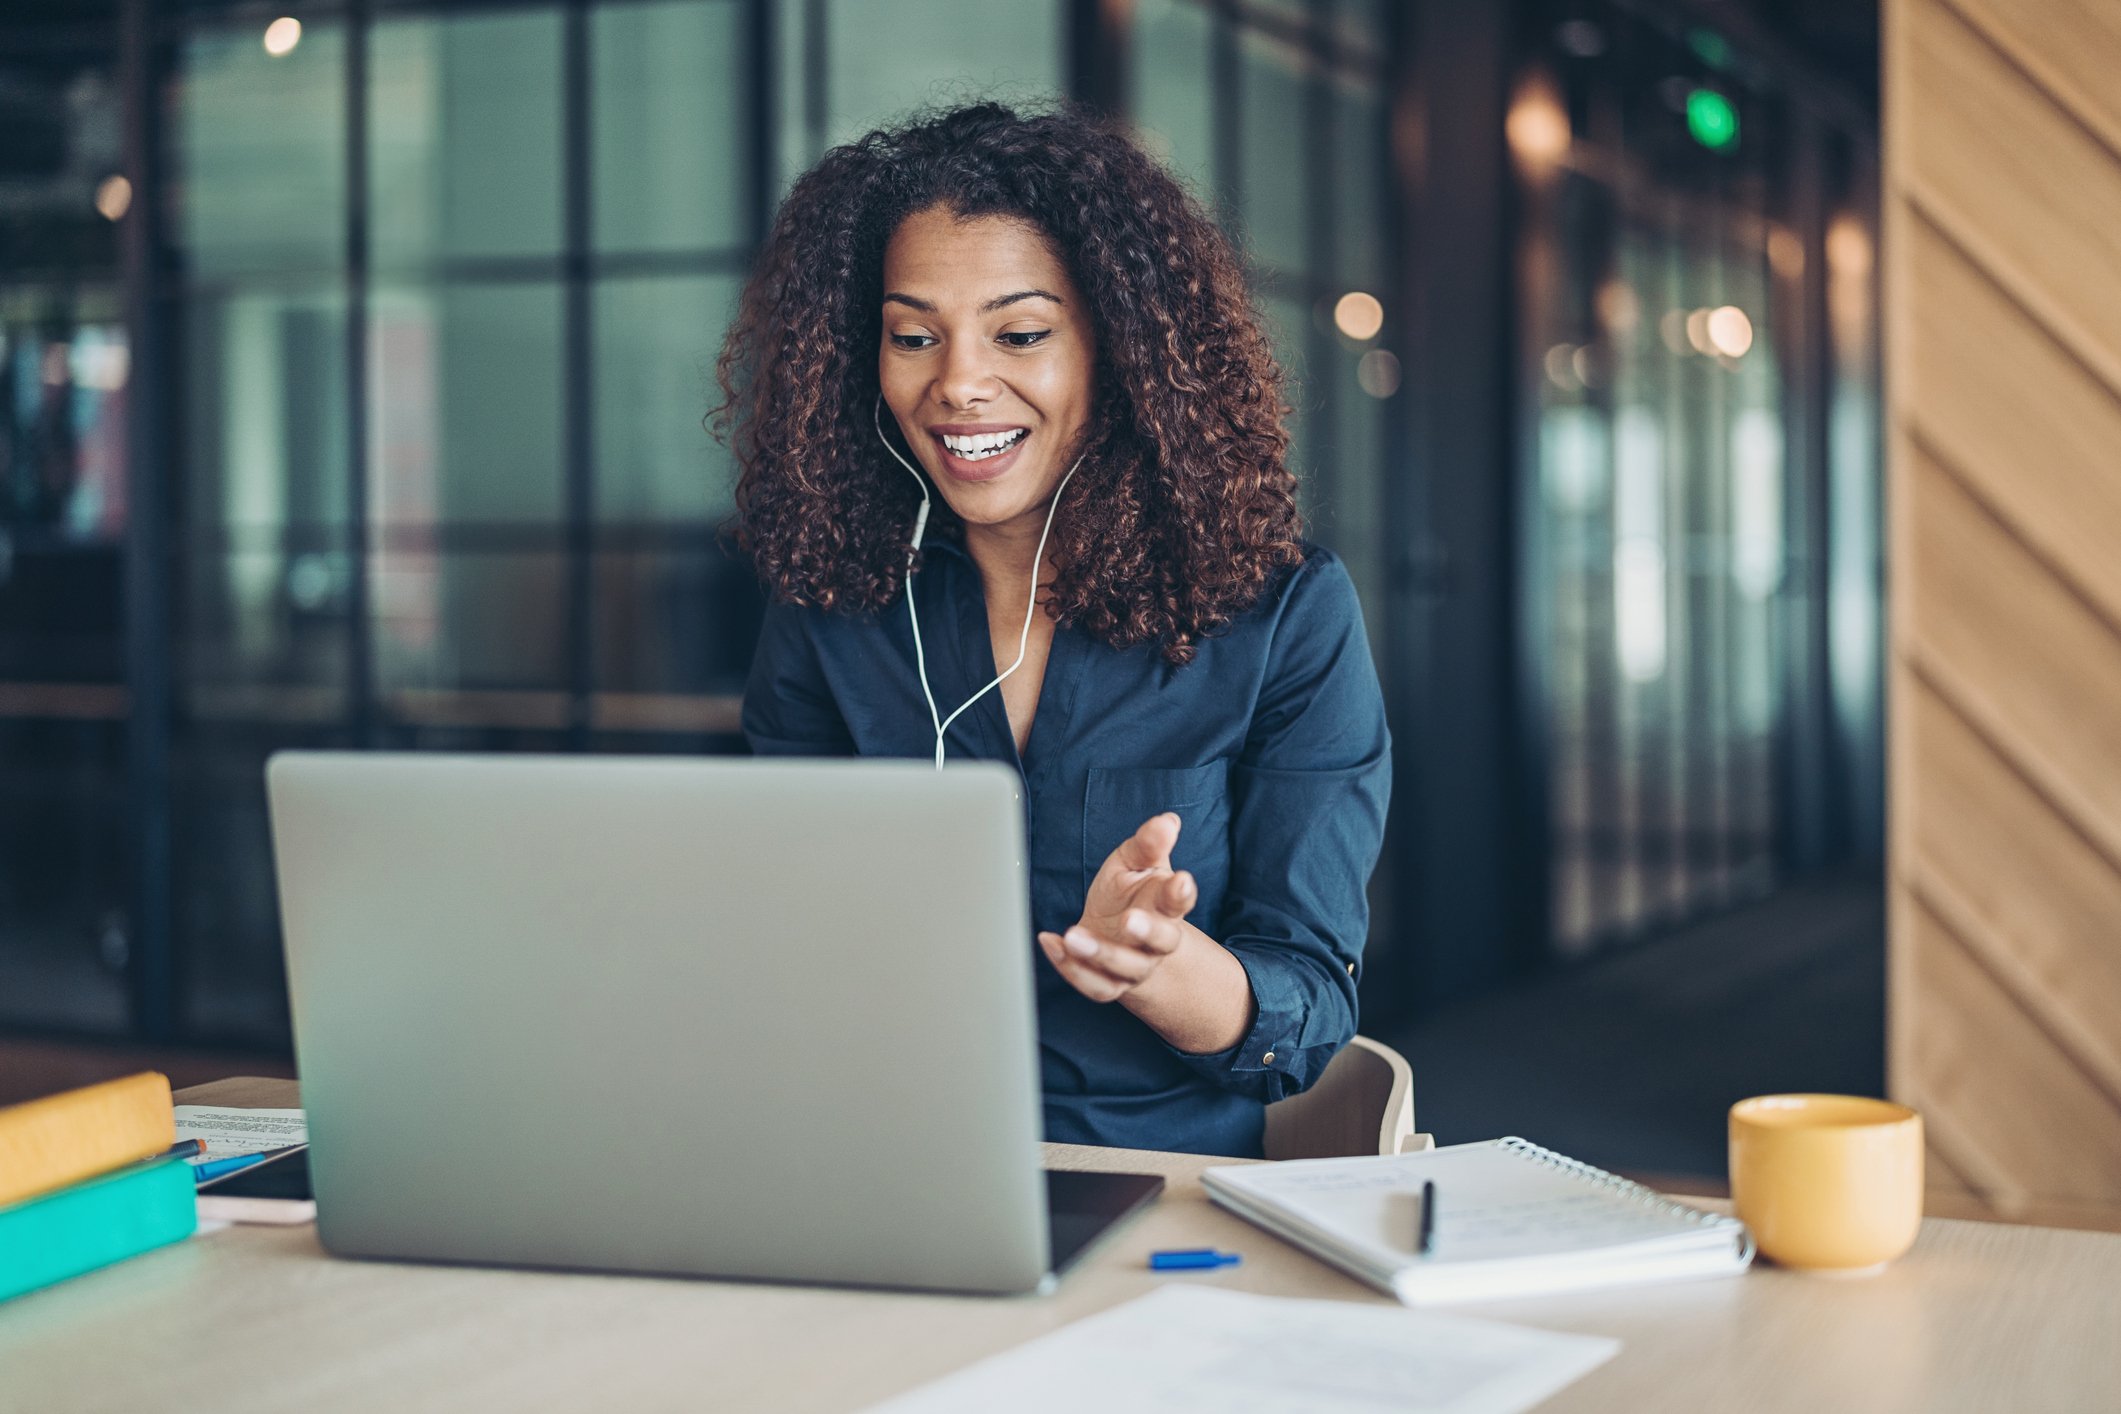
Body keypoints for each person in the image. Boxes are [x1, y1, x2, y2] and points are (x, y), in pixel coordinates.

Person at [718, 101, 1389, 1158]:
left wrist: (1160, 967)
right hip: (873, 1162)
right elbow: (770, 936)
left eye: (1020, 333)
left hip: (1158, 1185)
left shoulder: (1281, 615)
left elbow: (1305, 1015)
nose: (958, 384)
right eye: (912, 336)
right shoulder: (831, 606)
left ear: (1118, 352)